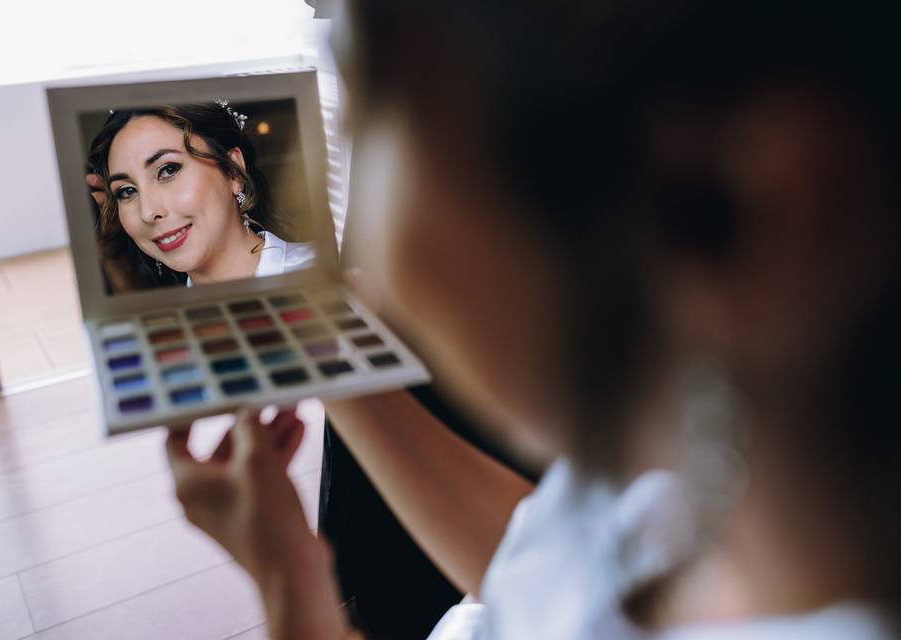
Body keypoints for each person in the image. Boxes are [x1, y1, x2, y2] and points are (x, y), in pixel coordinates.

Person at [165, 2, 901, 639]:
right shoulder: (714, 485)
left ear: (740, 204)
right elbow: (559, 570)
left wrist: (292, 593)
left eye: (368, 113)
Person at [85, 103, 315, 292]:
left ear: (233, 171)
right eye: (127, 191)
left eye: (168, 170)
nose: (148, 212)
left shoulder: (325, 273)